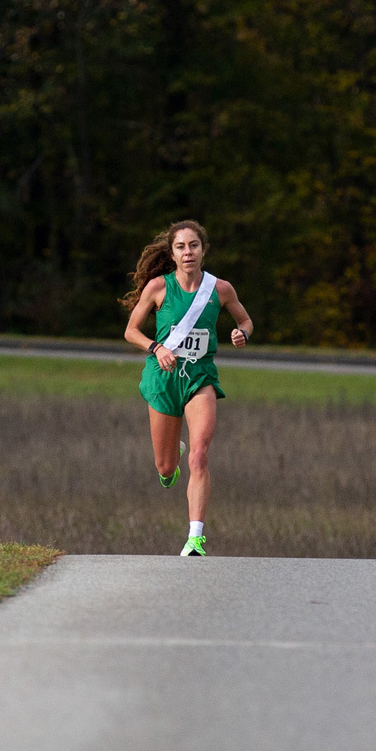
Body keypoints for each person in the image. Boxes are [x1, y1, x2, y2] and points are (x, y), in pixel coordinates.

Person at [121, 219, 254, 556]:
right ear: (173, 254)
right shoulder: (158, 288)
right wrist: (157, 348)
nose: (188, 252)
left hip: (200, 379)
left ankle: (196, 537)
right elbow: (131, 331)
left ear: (203, 250)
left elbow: (245, 319)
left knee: (200, 454)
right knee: (166, 469)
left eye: (193, 245)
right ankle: (171, 458)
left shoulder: (220, 289)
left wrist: (243, 333)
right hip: (164, 379)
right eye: (180, 247)